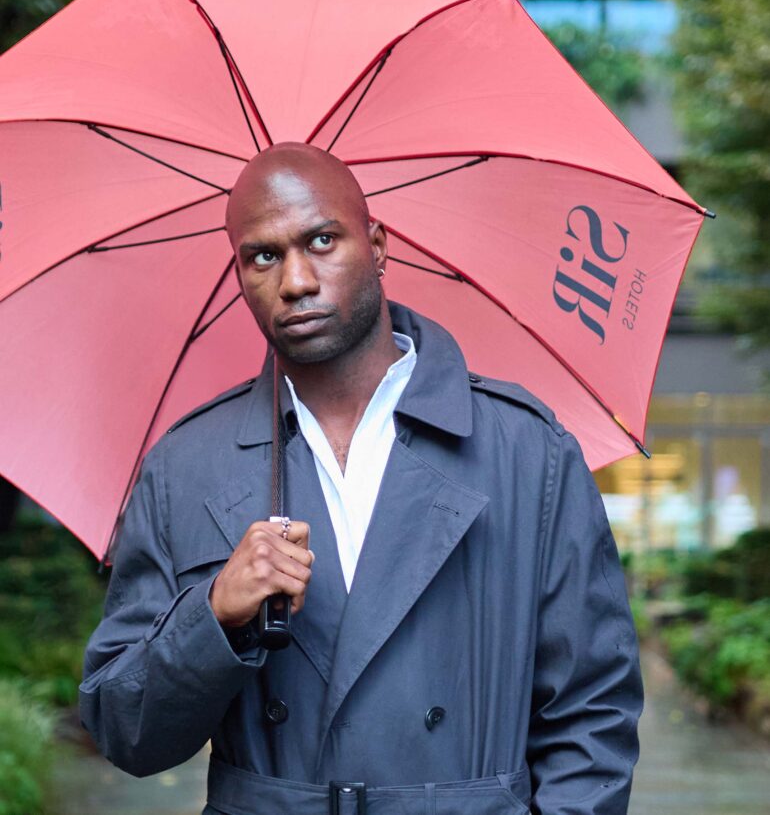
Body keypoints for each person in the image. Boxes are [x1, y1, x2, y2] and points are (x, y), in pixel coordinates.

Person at [80, 142, 644, 815]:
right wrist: (214, 617)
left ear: (377, 245)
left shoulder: (527, 451)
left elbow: (592, 715)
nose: (295, 281)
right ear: (238, 273)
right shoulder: (186, 466)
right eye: (263, 255)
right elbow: (125, 729)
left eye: (321, 240)